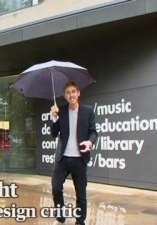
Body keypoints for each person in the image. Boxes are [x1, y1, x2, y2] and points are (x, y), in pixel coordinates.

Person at [49, 81, 97, 225]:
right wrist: (54, 117)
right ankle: (61, 215)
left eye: (73, 92)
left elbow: (93, 132)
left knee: (81, 194)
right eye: (68, 92)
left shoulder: (88, 111)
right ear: (65, 95)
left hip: (79, 159)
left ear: (78, 93)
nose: (71, 95)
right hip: (63, 158)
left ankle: (80, 221)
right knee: (56, 187)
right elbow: (53, 133)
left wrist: (90, 142)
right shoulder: (61, 111)